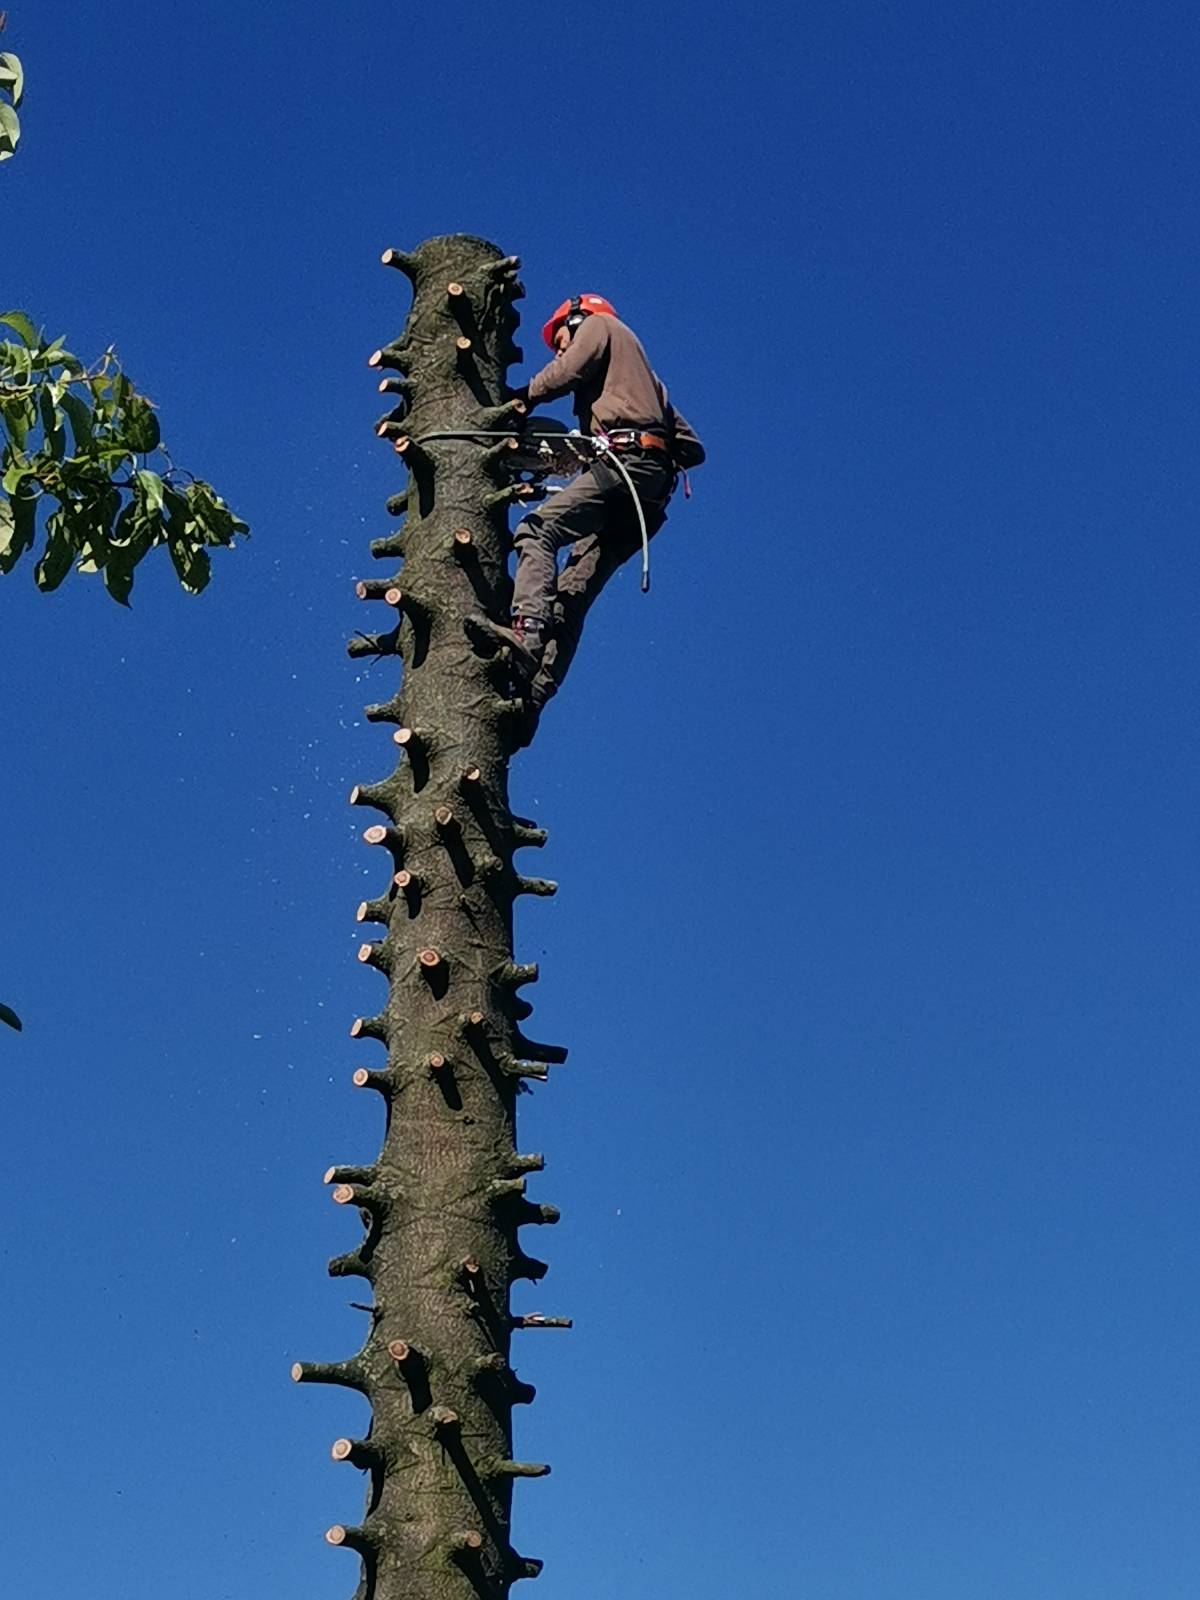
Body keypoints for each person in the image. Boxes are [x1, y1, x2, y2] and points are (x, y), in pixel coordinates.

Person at [471, 294, 705, 741]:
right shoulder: (649, 382)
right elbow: (692, 447)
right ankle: (531, 700)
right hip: (646, 497)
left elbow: (569, 370)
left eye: (560, 337)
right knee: (571, 596)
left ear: (578, 319)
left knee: (537, 528)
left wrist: (522, 399)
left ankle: (525, 634)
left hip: (625, 469)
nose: (559, 348)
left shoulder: (601, 328)